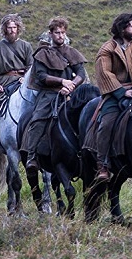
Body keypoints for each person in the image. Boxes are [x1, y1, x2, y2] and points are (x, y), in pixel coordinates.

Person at [89, 13, 132, 184]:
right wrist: (121, 92)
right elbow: (104, 73)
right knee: (106, 122)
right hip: (115, 92)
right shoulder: (107, 49)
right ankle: (102, 164)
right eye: (131, 25)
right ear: (122, 28)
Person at [20, 17, 87, 171]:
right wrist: (62, 82)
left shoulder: (72, 53)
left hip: (70, 94)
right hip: (49, 94)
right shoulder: (42, 54)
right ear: (50, 34)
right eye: (57, 32)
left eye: (63, 32)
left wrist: (71, 86)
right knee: (37, 119)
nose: (60, 36)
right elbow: (41, 77)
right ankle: (32, 156)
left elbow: (81, 74)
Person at [0, 14, 35, 154]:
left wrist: (26, 78)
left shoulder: (26, 46)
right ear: (4, 29)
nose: (12, 30)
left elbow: (31, 65)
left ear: (18, 28)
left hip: (22, 82)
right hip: (3, 84)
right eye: (9, 28)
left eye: (14, 27)